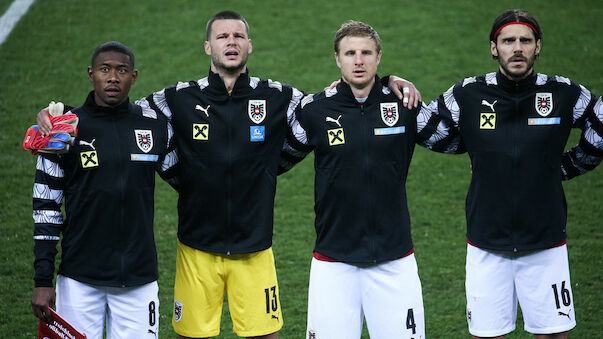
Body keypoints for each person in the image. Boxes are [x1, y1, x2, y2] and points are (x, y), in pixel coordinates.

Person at [35, 11, 419, 338]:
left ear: (250, 46)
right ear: (209, 47)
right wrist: (60, 114)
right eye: (222, 36)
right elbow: (117, 112)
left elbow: (341, 100)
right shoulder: (177, 98)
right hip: (196, 248)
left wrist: (386, 83)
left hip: (255, 247)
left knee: (265, 334)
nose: (230, 42)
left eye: (238, 36)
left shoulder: (280, 96)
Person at [418, 9, 603, 339]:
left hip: (546, 243)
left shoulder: (563, 94)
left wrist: (569, 166)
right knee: (488, 335)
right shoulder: (467, 94)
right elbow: (430, 129)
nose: (517, 48)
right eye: (508, 41)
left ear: (537, 46)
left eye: (525, 40)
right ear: (494, 48)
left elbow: (601, 125)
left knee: (552, 335)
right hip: (486, 244)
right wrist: (389, 85)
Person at [293, 21, 458, 339]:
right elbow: (274, 158)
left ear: (379, 57)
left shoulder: (404, 105)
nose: (359, 60)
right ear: (337, 59)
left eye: (366, 52)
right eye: (350, 53)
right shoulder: (315, 110)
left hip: (395, 259)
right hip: (333, 261)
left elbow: (453, 139)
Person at [30, 41, 177, 338]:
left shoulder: (154, 128)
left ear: (133, 77)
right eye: (104, 70)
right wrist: (43, 280)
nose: (113, 77)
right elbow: (46, 208)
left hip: (138, 280)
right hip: (79, 280)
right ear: (91, 74)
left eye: (121, 70)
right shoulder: (61, 131)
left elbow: (190, 180)